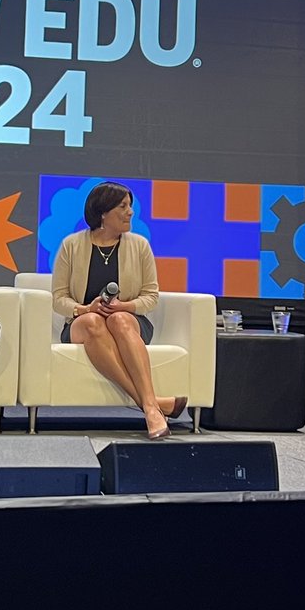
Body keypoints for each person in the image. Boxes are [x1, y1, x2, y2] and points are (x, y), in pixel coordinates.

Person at [51, 181, 187, 440]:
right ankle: (151, 405)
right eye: (123, 207)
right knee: (93, 321)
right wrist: (84, 308)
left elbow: (151, 296)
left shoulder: (140, 245)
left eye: (130, 206)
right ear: (103, 213)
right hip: (83, 322)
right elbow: (58, 299)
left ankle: (149, 405)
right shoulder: (72, 245)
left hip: (130, 322)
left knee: (120, 321)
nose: (130, 212)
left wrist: (125, 306)